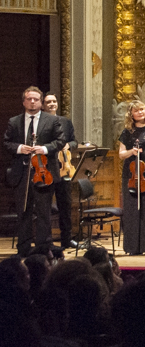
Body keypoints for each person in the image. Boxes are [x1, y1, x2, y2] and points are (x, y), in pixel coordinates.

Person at [5, 86, 64, 258]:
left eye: (36, 99)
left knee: (43, 212)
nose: (32, 102)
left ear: (41, 102)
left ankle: (42, 249)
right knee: (23, 211)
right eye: (29, 99)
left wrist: (44, 149)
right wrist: (19, 148)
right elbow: (7, 143)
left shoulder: (51, 121)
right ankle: (23, 248)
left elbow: (60, 141)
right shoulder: (14, 121)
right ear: (24, 101)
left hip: (44, 171)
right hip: (22, 172)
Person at [115, 101, 145, 257]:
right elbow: (121, 154)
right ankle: (132, 247)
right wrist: (132, 152)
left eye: (142, 109)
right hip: (131, 176)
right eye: (136, 111)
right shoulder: (127, 132)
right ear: (131, 114)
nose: (140, 112)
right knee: (131, 211)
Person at [41, 93, 78, 252]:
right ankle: (46, 241)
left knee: (65, 204)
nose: (52, 104)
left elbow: (74, 141)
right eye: (48, 102)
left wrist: (68, 145)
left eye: (54, 101)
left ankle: (67, 239)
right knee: (45, 206)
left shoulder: (65, 122)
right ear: (43, 105)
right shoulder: (40, 122)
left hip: (64, 168)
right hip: (47, 168)